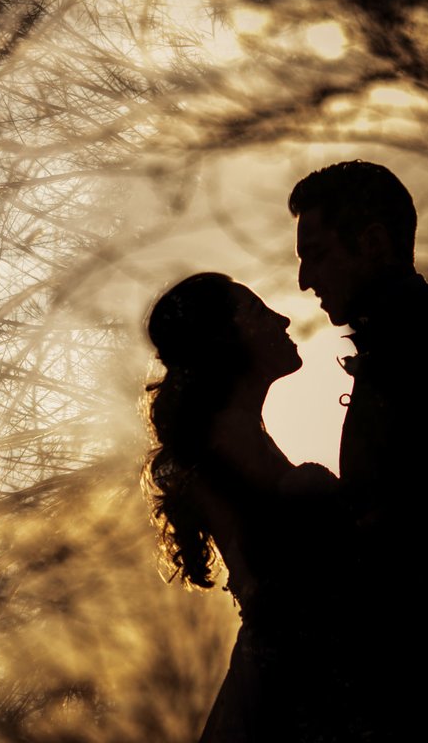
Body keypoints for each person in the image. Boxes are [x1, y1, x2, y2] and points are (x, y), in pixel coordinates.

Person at [290, 160, 428, 740]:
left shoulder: (424, 349)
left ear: (374, 243)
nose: (304, 279)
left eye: (317, 254)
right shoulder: (419, 337)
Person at [143, 272, 351, 742]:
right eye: (259, 312)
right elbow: (292, 571)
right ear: (225, 340)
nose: (282, 320)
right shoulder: (227, 442)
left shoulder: (236, 433)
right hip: (296, 686)